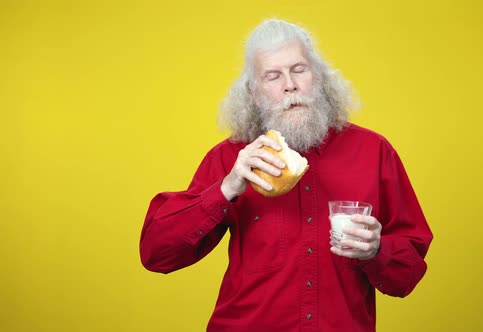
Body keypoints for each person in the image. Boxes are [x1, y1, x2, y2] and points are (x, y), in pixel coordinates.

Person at [140, 19, 433, 332]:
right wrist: (227, 188)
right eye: (272, 76)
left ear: (318, 77)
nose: (289, 85)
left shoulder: (373, 151)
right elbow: (157, 255)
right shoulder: (231, 158)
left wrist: (376, 250)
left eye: (298, 69)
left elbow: (408, 276)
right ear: (254, 93)